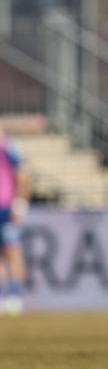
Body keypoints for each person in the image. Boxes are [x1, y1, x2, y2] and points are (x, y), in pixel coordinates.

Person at [0, 127, 30, 316]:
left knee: (13, 250)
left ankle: (16, 295)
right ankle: (3, 295)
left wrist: (20, 203)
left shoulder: (10, 147)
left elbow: (24, 176)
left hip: (7, 208)